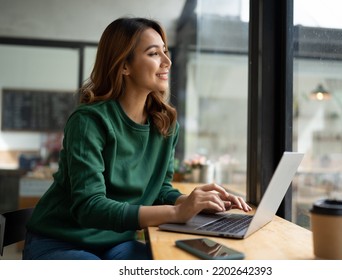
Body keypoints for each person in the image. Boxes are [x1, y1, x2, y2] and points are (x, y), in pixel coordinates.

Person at [22, 17, 251, 260]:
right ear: (124, 66)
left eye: (165, 51)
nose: (167, 61)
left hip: (116, 243)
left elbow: (159, 189)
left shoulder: (165, 124)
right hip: (59, 241)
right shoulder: (88, 121)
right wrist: (176, 213)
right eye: (154, 53)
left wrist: (194, 202)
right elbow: (89, 207)